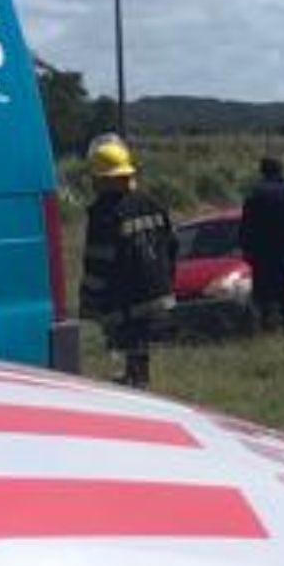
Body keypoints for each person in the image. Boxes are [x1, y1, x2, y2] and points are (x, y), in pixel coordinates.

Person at [78, 139, 176, 388]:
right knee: (139, 347)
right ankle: (138, 378)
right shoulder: (152, 203)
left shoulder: (104, 214)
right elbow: (172, 245)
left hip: (126, 297)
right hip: (157, 290)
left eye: (97, 177)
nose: (94, 182)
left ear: (107, 179)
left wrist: (89, 300)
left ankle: (135, 384)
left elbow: (99, 262)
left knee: (129, 341)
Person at [236, 155, 284, 332]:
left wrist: (245, 247)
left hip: (263, 251)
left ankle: (266, 323)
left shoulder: (256, 194)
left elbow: (247, 224)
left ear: (262, 171)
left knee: (264, 289)